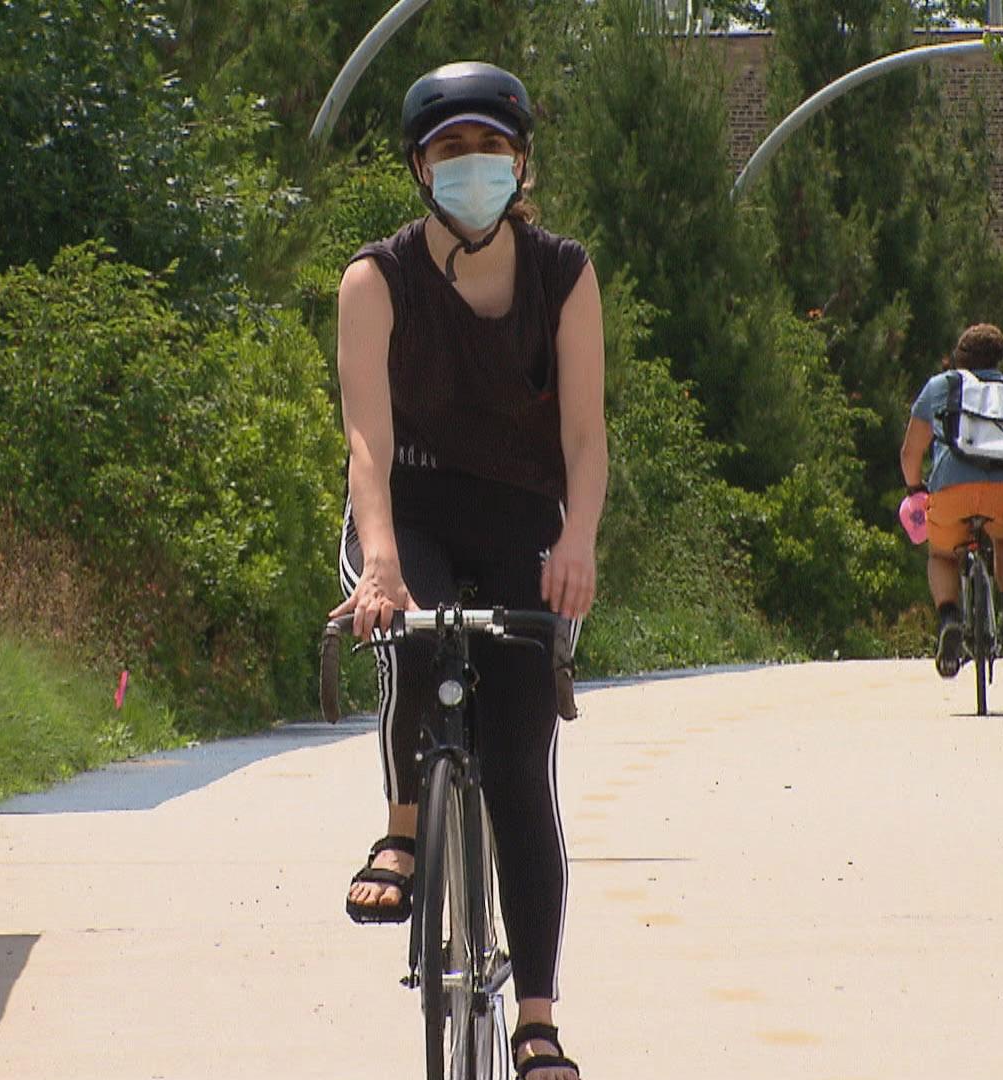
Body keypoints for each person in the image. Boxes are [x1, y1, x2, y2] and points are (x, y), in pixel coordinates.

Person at [329, 60, 604, 1080]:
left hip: (527, 520)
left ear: (521, 162)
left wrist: (576, 541)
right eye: (451, 151)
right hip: (410, 508)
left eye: (491, 149)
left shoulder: (563, 274)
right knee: (412, 631)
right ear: (418, 167)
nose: (473, 167)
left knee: (524, 768)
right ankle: (403, 829)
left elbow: (585, 436)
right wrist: (382, 567)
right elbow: (365, 438)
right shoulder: (377, 279)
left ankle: (535, 1019)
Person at [899, 323, 1003, 677]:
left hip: (950, 493)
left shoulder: (943, 386)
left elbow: (911, 451)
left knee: (941, 553)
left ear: (959, 357)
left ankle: (949, 618)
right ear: (1000, 358)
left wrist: (914, 489)